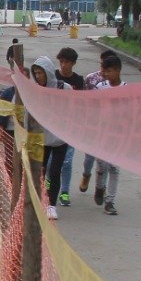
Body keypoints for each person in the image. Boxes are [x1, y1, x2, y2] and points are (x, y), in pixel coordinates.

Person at [29, 56, 69, 220]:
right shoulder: (34, 90)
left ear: (48, 72)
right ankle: (39, 200)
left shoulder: (64, 88)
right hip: (41, 138)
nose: (38, 76)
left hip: (60, 138)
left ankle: (52, 205)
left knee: (55, 171)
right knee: (40, 171)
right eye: (36, 73)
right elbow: (28, 113)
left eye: (41, 73)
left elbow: (73, 109)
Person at [78, 48, 120, 198]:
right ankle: (86, 175)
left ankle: (103, 190)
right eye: (104, 65)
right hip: (93, 125)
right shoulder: (91, 79)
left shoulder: (119, 85)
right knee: (90, 156)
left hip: (112, 128)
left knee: (110, 162)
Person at [90, 53, 125, 215]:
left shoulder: (126, 89)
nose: (106, 74)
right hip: (102, 134)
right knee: (102, 165)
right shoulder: (100, 87)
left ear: (118, 70)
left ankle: (110, 201)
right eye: (105, 71)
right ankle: (99, 187)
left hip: (118, 135)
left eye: (109, 71)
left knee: (114, 168)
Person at [54, 48, 87, 207]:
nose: (63, 65)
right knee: (51, 162)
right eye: (61, 61)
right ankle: (49, 188)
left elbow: (81, 103)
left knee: (66, 161)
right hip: (54, 124)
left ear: (73, 63)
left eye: (67, 62)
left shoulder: (79, 80)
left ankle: (65, 192)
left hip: (71, 125)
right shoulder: (53, 76)